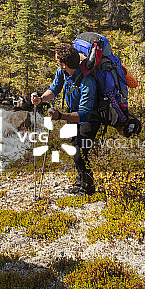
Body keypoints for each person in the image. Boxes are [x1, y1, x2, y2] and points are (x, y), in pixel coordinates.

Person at [31, 42, 99, 195]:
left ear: (64, 64)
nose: (55, 62)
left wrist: (60, 116)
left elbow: (85, 114)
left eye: (57, 60)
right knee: (75, 147)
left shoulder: (87, 81)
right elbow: (54, 89)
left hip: (89, 118)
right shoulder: (62, 72)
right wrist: (41, 99)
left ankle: (88, 188)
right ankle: (80, 181)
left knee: (80, 152)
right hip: (73, 114)